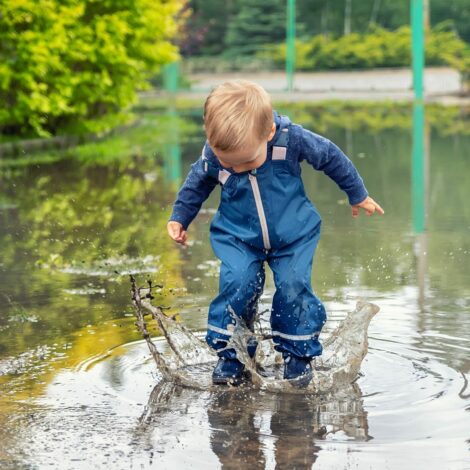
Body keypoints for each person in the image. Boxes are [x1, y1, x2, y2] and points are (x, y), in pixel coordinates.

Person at [167, 79, 384, 388]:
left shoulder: (290, 140)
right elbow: (196, 184)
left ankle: (297, 356)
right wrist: (180, 217)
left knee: (294, 285)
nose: (238, 169)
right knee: (236, 285)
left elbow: (331, 157)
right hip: (237, 237)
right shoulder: (215, 154)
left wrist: (357, 194)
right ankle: (232, 356)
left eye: (247, 161)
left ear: (268, 134)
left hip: (294, 235)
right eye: (230, 164)